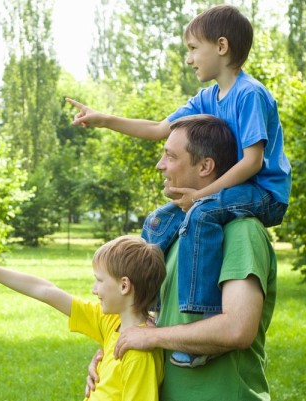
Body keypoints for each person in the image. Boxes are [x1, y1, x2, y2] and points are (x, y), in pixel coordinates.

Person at [67, 4, 290, 367]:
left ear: (221, 46)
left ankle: (197, 322)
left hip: (263, 192)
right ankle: (146, 312)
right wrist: (104, 119)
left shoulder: (249, 94)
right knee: (160, 219)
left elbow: (252, 162)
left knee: (200, 214)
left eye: (193, 48)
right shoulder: (207, 99)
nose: (188, 59)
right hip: (226, 190)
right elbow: (159, 129)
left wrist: (202, 195)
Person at [85, 115, 278, 401]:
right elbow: (152, 317)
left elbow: (238, 329)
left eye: (170, 156)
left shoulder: (242, 232)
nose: (160, 165)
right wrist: (114, 354)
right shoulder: (177, 232)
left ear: (205, 166)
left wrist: (152, 337)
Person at [0, 235, 166, 401]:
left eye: (99, 280)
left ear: (124, 285)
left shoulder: (139, 353)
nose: (94, 289)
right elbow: (45, 290)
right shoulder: (111, 323)